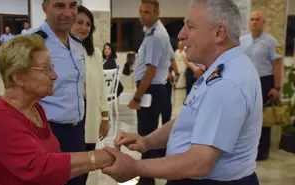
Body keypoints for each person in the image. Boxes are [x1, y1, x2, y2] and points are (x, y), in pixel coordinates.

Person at [101, 1, 262, 185]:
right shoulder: (219, 70)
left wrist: (135, 167)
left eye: (190, 27)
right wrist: (147, 142)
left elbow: (199, 163)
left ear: (219, 33)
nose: (181, 34)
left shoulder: (226, 83)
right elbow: (189, 120)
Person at [0, 35, 115, 185]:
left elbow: (53, 158)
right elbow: (39, 167)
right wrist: (101, 157)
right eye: (46, 69)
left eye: (52, 68)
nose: (54, 75)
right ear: (18, 77)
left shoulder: (36, 109)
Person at [35, 1, 86, 184]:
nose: (68, 12)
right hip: (47, 130)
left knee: (78, 180)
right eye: (59, 5)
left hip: (77, 128)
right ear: (44, 7)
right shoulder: (33, 43)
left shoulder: (77, 44)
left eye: (72, 5)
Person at [129, 1, 171, 184]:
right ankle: (148, 178)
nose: (142, 15)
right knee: (149, 134)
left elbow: (151, 70)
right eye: (140, 11)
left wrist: (137, 97)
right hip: (155, 89)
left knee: (146, 137)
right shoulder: (155, 31)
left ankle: (147, 180)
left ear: (156, 13)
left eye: (146, 12)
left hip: (151, 90)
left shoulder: (155, 36)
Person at [70, 5, 110, 182]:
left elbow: (101, 89)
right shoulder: (62, 52)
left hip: (89, 111)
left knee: (86, 162)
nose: (84, 27)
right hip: (68, 114)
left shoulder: (94, 54)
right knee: (68, 162)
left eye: (88, 24)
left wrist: (105, 118)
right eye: (79, 22)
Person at [240, 11, 282, 161]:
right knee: (245, 115)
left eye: (258, 19)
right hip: (246, 81)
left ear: (263, 22)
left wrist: (277, 87)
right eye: (252, 19)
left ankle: (262, 150)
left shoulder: (271, 42)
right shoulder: (242, 40)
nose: (254, 22)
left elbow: (277, 65)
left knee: (263, 118)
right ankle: (246, 148)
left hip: (264, 81)